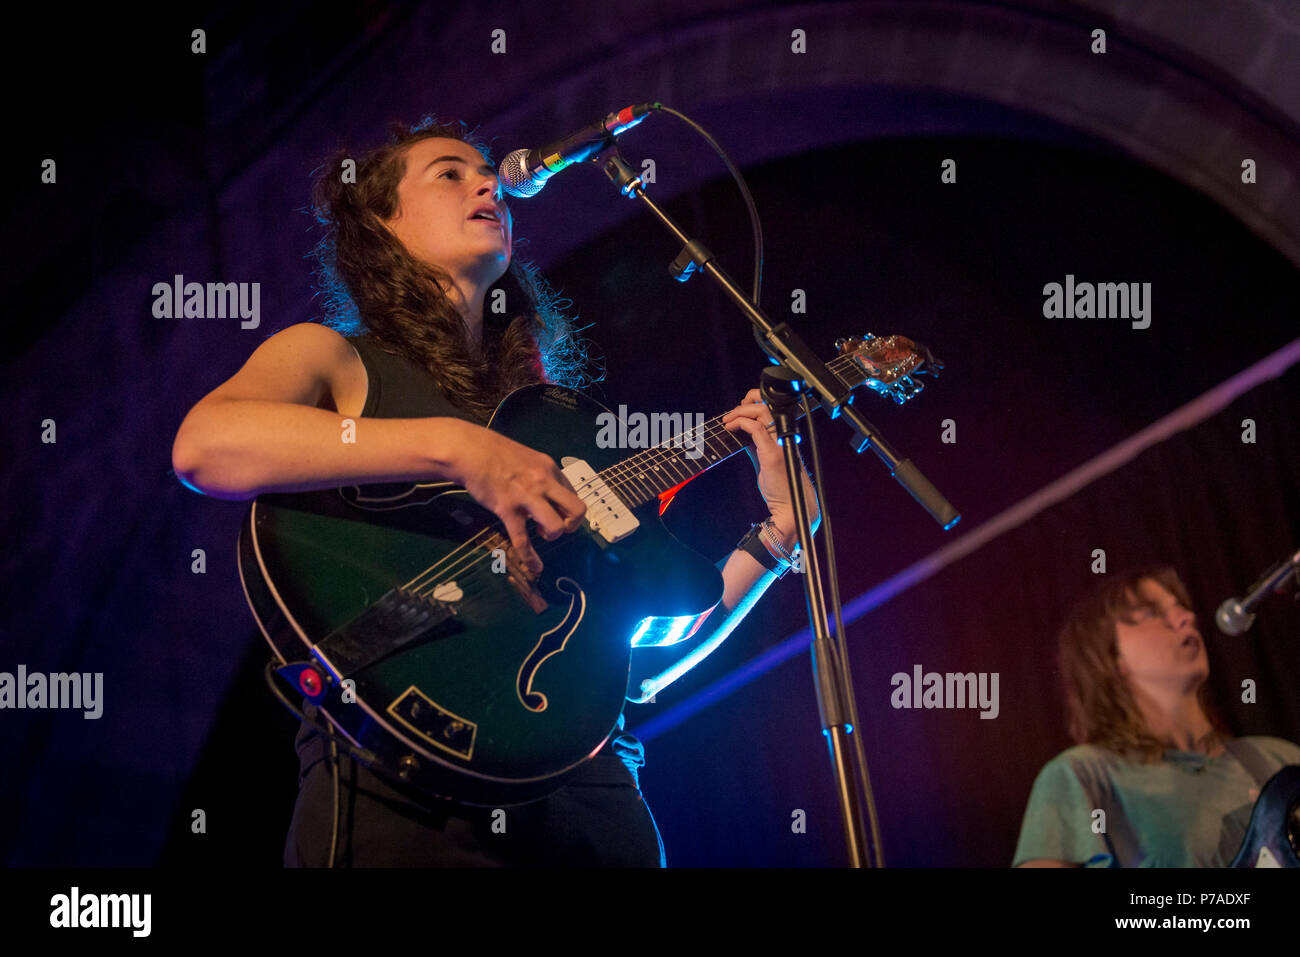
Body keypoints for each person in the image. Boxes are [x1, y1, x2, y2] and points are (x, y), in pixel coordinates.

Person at [171, 117, 819, 866]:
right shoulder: (334, 359)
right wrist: (459, 448)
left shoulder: (551, 423)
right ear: (382, 221)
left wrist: (775, 540)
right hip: (404, 789)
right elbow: (206, 445)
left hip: (592, 794)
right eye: (450, 173)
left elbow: (627, 671)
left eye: (486, 172)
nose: (488, 185)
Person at [1013, 566, 1300, 867]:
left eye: (1181, 608)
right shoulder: (1083, 774)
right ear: (1111, 658)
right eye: (1151, 613)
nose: (1186, 618)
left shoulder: (1278, 760)